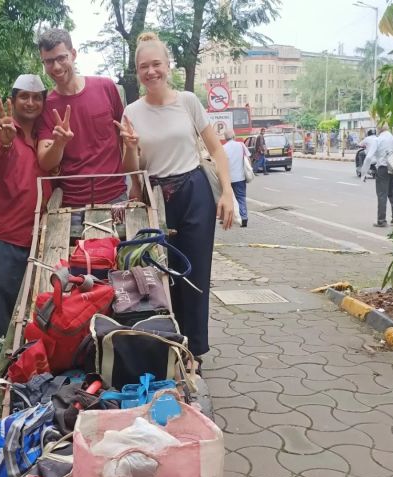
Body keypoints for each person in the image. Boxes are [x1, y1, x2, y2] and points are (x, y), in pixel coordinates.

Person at [116, 32, 234, 360]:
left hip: (194, 192)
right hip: (155, 198)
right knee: (157, 276)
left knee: (194, 275)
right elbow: (133, 168)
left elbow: (216, 151)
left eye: (156, 64)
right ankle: (165, 346)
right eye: (144, 67)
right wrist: (128, 146)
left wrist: (227, 193)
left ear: (168, 65)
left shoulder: (188, 102)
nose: (151, 71)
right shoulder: (132, 112)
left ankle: (193, 352)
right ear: (137, 72)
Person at [0, 74, 49, 350]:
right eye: (24, 96)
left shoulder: (48, 139)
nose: (30, 102)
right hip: (7, 241)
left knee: (43, 313)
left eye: (36, 97)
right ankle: (6, 374)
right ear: (13, 100)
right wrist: (6, 143)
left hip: (45, 241)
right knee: (7, 316)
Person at [36, 28, 128, 208]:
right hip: (72, 204)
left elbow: (125, 140)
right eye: (48, 61)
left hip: (116, 196)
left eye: (61, 58)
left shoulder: (106, 88)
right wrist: (59, 143)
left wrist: (136, 184)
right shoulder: (46, 106)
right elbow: (45, 162)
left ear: (73, 54)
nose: (55, 67)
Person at [360, 124, 393, 227]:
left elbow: (369, 157)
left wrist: (363, 173)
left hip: (383, 169)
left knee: (382, 194)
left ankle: (381, 220)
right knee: (392, 191)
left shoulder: (378, 140)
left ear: (378, 128)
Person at [223, 128, 250, 227]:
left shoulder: (223, 148)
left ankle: (227, 218)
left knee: (229, 199)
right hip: (240, 177)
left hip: (228, 178)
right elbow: (248, 158)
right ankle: (244, 218)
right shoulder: (241, 145)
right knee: (241, 198)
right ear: (234, 136)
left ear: (225, 138)